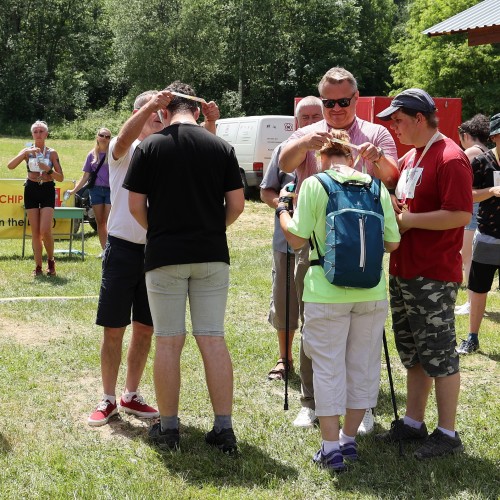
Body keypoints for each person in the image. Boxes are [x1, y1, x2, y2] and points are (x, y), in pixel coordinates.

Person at [87, 89, 221, 427]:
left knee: (146, 329)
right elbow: (121, 138)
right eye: (151, 112)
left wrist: (209, 123)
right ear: (139, 112)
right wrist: (151, 105)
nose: (159, 117)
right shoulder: (126, 149)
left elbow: (205, 156)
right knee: (114, 329)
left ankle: (130, 394)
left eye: (163, 112)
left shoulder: (166, 150)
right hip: (121, 249)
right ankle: (106, 397)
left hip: (157, 252)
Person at [125, 81, 244, 453]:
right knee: (212, 337)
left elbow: (134, 206)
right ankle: (223, 429)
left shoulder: (149, 146)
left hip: (165, 256)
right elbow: (237, 205)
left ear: (165, 110)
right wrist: (210, 230)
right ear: (196, 110)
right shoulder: (222, 146)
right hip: (211, 254)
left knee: (168, 341)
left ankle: (170, 429)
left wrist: (161, 232)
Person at [279, 67, 399, 431]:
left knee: (363, 333)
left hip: (363, 242)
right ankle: (312, 401)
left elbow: (392, 176)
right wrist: (304, 145)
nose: (335, 109)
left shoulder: (375, 132)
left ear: (356, 98)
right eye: (328, 102)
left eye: (343, 102)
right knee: (312, 324)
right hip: (315, 244)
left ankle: (361, 407)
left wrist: (376, 157)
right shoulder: (308, 132)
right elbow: (283, 164)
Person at [375, 88, 472, 459]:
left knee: (440, 354)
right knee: (414, 353)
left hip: (432, 274)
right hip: (405, 270)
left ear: (419, 118)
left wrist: (410, 221)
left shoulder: (450, 157)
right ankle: (414, 423)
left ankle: (447, 433)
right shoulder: (415, 155)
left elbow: (461, 214)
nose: (394, 127)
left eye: (398, 120)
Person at [260, 96, 323, 381]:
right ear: (296, 122)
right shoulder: (285, 150)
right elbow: (266, 191)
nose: (311, 123)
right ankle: (284, 360)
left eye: (315, 116)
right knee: (285, 302)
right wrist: (287, 208)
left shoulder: (331, 150)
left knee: (319, 304)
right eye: (305, 118)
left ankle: (318, 359)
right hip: (287, 238)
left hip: (322, 242)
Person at [457, 113, 500, 354]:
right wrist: (491, 191)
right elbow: (468, 195)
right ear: (495, 136)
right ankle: (472, 337)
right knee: (479, 287)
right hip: (488, 235)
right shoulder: (482, 162)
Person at [8, 120, 64, 276]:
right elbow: (10, 166)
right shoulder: (27, 151)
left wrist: (48, 170)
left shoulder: (52, 153)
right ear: (32, 134)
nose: (38, 134)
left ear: (46, 134)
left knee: (45, 230)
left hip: (47, 189)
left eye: (41, 131)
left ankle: (51, 261)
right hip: (31, 189)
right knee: (35, 232)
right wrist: (23, 154)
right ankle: (38, 266)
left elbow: (60, 178)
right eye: (35, 131)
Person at [455, 115, 490, 315]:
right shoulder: (487, 151)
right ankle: (470, 301)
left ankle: (471, 302)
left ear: (466, 135)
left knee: (468, 256)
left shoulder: (471, 152)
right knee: (470, 256)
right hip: (483, 208)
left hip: (473, 207)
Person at [68, 128, 113, 252]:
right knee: (100, 222)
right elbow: (85, 176)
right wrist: (74, 191)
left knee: (110, 222)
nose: (104, 138)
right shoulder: (91, 154)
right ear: (97, 137)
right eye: (102, 135)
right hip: (95, 190)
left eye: (107, 136)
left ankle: (112, 249)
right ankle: (104, 250)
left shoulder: (113, 153)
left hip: (111, 191)